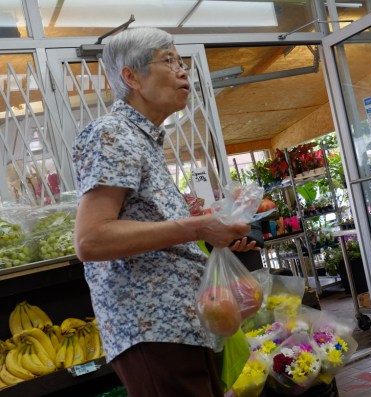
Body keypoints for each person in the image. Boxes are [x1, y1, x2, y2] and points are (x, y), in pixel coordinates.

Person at [72, 27, 251, 397]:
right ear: (131, 77)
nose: (183, 70)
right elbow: (91, 239)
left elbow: (154, 230)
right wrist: (198, 227)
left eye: (181, 61)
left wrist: (215, 231)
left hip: (179, 324)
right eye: (168, 60)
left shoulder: (143, 138)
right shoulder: (113, 134)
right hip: (151, 326)